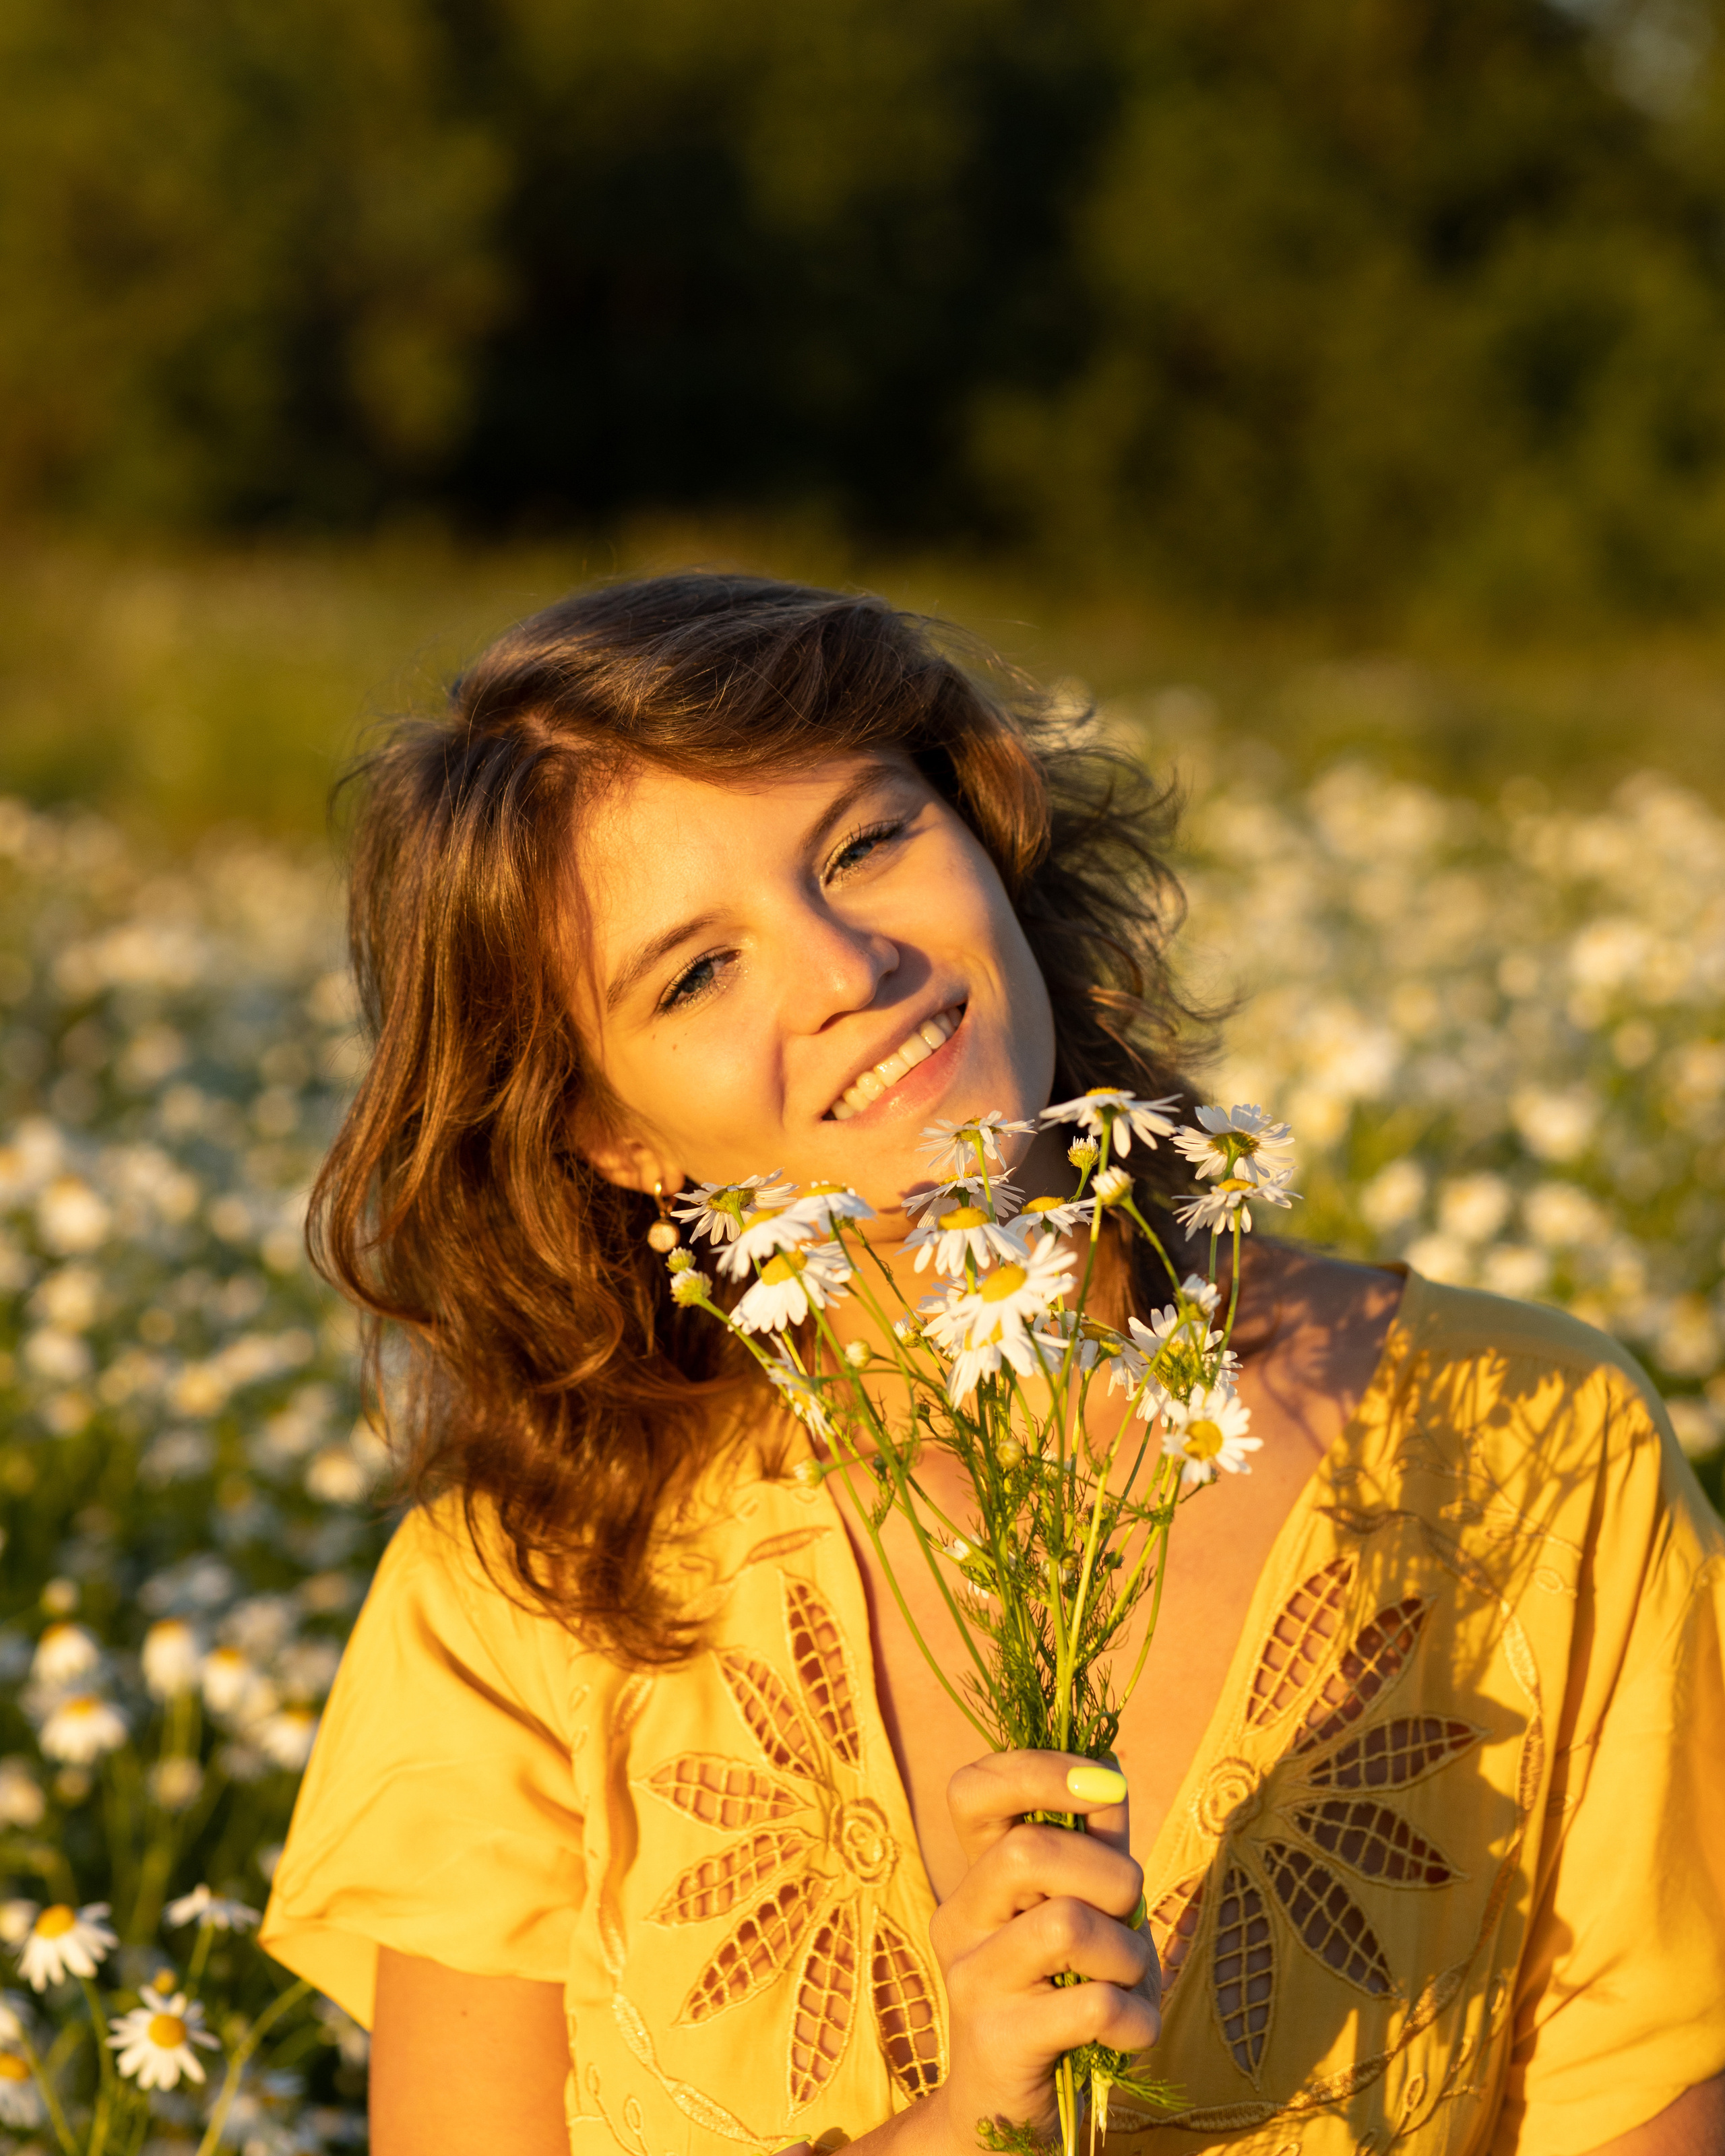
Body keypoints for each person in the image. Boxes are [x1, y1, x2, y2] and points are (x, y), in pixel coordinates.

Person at [259, 574, 1725, 2156]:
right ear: (608, 1136)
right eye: (695, 972)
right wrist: (960, 2122)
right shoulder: (521, 1594)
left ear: (986, 841)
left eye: (863, 845)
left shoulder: (1536, 1438)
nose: (842, 970)